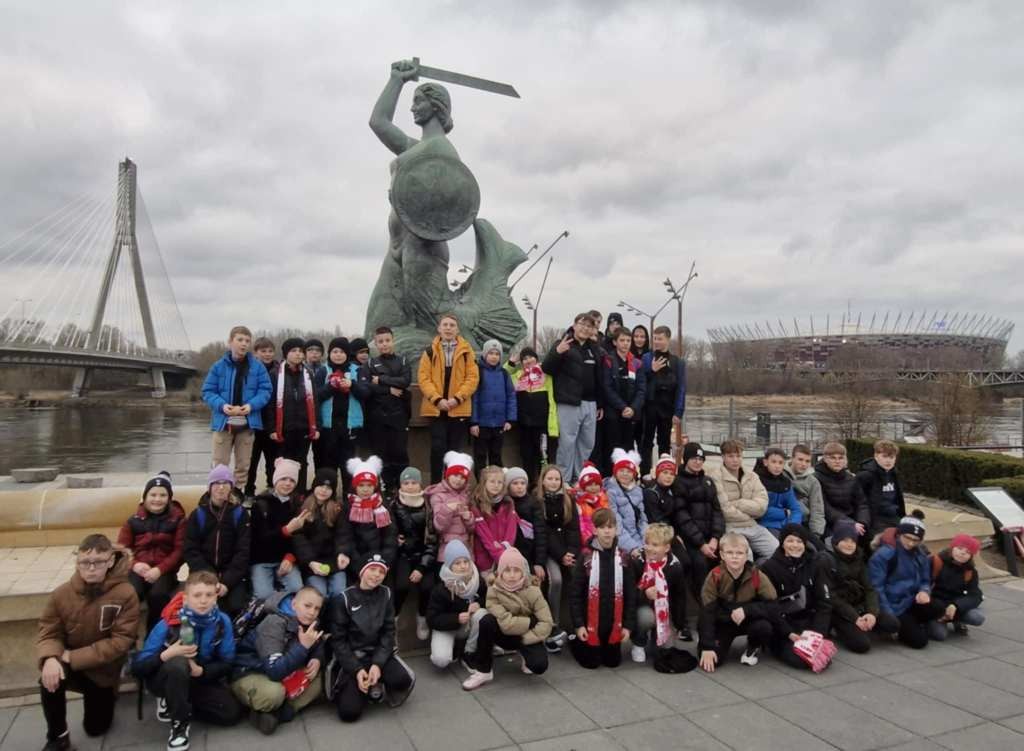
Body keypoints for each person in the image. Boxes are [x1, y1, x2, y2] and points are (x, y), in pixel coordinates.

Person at [37, 534, 140, 751]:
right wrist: (50, 657)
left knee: (96, 728)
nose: (91, 568)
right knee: (49, 676)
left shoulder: (126, 593)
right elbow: (49, 631)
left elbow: (121, 641)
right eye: (85, 562)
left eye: (98, 562)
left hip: (103, 670)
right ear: (77, 562)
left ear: (110, 561)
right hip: (68, 662)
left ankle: (109, 695)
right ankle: (57, 737)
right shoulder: (61, 594)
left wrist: (73, 657)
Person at [132, 571, 242, 750]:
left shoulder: (222, 622)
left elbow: (227, 662)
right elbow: (138, 667)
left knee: (231, 714)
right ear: (185, 599)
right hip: (165, 677)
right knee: (178, 663)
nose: (203, 601)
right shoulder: (168, 623)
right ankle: (179, 724)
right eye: (197, 595)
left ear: (216, 597)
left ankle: (176, 702)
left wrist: (202, 672)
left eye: (209, 595)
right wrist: (167, 654)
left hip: (197, 677)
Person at [330, 555, 415, 722]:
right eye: (372, 569)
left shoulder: (386, 593)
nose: (376, 575)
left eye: (381, 572)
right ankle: (360, 685)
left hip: (378, 653)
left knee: (403, 680)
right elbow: (338, 641)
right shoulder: (344, 599)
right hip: (354, 657)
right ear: (362, 572)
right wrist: (356, 669)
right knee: (349, 713)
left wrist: (378, 664)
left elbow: (388, 631)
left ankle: (376, 680)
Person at [231, 587, 326, 735]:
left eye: (317, 608)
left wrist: (317, 658)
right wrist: (303, 647)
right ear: (294, 604)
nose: (312, 612)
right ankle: (266, 706)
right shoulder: (274, 623)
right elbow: (274, 671)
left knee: (319, 679)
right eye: (307, 606)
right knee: (274, 694)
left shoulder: (309, 621)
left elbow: (317, 644)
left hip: (282, 670)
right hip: (251, 671)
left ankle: (280, 712)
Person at [462, 547, 553, 690]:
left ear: (523, 572)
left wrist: (526, 638)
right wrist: (530, 621)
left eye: (516, 570)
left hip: (527, 636)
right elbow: (505, 622)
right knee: (486, 621)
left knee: (539, 666)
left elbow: (547, 622)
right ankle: (483, 671)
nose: (512, 575)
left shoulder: (533, 591)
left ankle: (524, 654)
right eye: (507, 570)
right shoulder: (494, 589)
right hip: (504, 633)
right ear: (500, 572)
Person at [202, 325, 274, 488]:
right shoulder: (218, 366)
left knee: (243, 465)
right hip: (223, 423)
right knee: (219, 464)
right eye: (240, 340)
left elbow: (265, 391)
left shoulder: (257, 367)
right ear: (230, 342)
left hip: (247, 423)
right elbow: (208, 391)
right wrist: (222, 406)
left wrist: (251, 406)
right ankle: (218, 494)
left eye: (247, 341)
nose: (244, 344)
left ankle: (237, 494)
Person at [698, 532, 779, 672]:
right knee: (713, 660)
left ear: (746, 555)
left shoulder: (757, 575)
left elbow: (773, 606)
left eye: (739, 553)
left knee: (763, 627)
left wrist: (747, 610)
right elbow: (707, 612)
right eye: (730, 552)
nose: (735, 556)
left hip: (747, 619)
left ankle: (753, 647)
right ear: (722, 555)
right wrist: (707, 646)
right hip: (723, 622)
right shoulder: (715, 576)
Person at [567, 508, 636, 669]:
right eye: (602, 527)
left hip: (613, 622)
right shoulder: (586, 557)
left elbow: (631, 594)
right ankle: (574, 640)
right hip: (590, 622)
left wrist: (627, 626)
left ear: (616, 529)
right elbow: (575, 594)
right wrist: (579, 625)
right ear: (594, 530)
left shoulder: (623, 558)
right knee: (591, 664)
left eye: (610, 527)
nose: (607, 531)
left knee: (613, 663)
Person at [118, 471, 187, 631]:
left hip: (165, 571)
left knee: (158, 595)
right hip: (138, 569)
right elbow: (122, 549)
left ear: (169, 498)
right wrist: (135, 565)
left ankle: (154, 633)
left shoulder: (178, 520)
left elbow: (180, 551)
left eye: (163, 495)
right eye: (153, 495)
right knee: (131, 593)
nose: (157, 499)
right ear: (145, 497)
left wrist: (160, 569)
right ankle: (127, 633)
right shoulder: (133, 521)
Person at [818, 519, 898, 653]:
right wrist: (855, 618)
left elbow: (870, 588)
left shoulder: (859, 557)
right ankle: (840, 628)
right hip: (839, 610)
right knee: (862, 645)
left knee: (892, 624)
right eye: (845, 540)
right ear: (836, 541)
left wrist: (872, 613)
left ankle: (866, 625)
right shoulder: (826, 560)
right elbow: (831, 596)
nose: (849, 545)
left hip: (859, 604)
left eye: (852, 541)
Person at [760, 524, 832, 671]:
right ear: (782, 543)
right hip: (783, 625)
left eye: (799, 541)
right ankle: (772, 645)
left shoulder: (814, 564)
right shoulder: (769, 567)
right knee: (801, 661)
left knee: (821, 658)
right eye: (790, 541)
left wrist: (817, 634)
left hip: (808, 622)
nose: (795, 545)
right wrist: (788, 633)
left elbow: (824, 602)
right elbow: (769, 607)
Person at [418, 314, 481, 482]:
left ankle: (451, 486)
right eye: (445, 325)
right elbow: (423, 378)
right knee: (437, 448)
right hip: (436, 408)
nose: (448, 328)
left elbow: (472, 378)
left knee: (454, 450)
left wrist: (457, 399)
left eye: (452, 325)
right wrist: (437, 399)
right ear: (439, 328)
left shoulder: (467, 351)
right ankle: (435, 485)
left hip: (458, 408)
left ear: (457, 329)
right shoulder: (429, 351)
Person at [543, 312, 604, 482]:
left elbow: (599, 377)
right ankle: (563, 479)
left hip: (590, 403)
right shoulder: (563, 343)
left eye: (589, 326)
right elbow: (547, 368)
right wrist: (557, 352)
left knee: (587, 443)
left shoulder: (594, 349)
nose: (585, 328)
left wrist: (600, 404)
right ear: (575, 325)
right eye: (582, 324)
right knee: (567, 443)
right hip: (569, 402)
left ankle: (579, 478)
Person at [183, 465, 251, 616]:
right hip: (203, 572)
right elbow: (191, 550)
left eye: (225, 483)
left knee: (236, 605)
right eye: (216, 483)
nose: (221, 487)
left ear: (231, 487)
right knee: (203, 604)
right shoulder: (198, 514)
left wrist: (226, 582)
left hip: (232, 574)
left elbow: (243, 551)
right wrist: (211, 579)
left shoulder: (240, 514)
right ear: (209, 487)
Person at [868, 511, 942, 648]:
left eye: (916, 540)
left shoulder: (920, 554)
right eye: (907, 537)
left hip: (911, 600)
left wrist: (924, 591)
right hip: (893, 605)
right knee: (920, 642)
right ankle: (902, 627)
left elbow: (925, 580)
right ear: (899, 534)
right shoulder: (884, 555)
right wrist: (889, 613)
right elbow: (876, 588)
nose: (911, 543)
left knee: (938, 607)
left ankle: (916, 623)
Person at [357, 326, 412, 495]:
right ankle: (385, 489)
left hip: (399, 416)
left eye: (387, 340)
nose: (384, 344)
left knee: (400, 452)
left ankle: (402, 487)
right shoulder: (369, 364)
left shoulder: (403, 361)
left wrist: (381, 379)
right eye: (380, 341)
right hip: (377, 417)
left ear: (393, 341)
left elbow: (404, 381)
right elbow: (366, 387)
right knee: (381, 454)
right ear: (376, 344)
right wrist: (389, 389)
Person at [671, 443, 725, 612]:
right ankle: (704, 608)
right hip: (692, 540)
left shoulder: (708, 481)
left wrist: (715, 537)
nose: (698, 462)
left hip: (712, 539)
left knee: (728, 559)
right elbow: (682, 517)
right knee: (700, 564)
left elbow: (717, 511)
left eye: (701, 459)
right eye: (694, 458)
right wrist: (701, 544)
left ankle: (724, 604)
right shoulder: (678, 482)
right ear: (686, 459)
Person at [710, 439, 778, 564]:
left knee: (777, 551)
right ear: (723, 457)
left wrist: (739, 503)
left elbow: (762, 506)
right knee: (745, 557)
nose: (735, 460)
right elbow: (725, 510)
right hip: (730, 527)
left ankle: (758, 571)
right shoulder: (715, 477)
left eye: (738, 456)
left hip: (752, 525)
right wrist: (750, 513)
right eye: (731, 456)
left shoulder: (752, 476)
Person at [536, 464, 581, 652]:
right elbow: (544, 532)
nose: (554, 482)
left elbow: (574, 529)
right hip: (549, 552)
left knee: (579, 577)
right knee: (556, 579)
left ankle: (577, 623)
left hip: (568, 550)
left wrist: (571, 552)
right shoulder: (538, 502)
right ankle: (553, 624)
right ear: (543, 481)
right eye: (550, 479)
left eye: (557, 479)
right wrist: (561, 555)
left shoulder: (568, 500)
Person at [631, 522, 689, 664]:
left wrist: (679, 624)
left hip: (664, 610)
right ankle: (638, 642)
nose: (650, 548)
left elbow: (679, 596)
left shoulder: (675, 566)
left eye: (655, 545)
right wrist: (644, 593)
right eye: (647, 543)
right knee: (646, 617)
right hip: (642, 607)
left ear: (667, 548)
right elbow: (629, 594)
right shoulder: (638, 561)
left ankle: (657, 639)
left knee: (665, 650)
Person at [390, 466, 437, 642]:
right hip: (403, 554)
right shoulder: (394, 505)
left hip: (424, 554)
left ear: (420, 484)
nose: (410, 486)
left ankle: (422, 617)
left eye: (414, 482)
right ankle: (393, 619)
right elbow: (389, 529)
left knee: (427, 587)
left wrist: (421, 567)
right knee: (401, 586)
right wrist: (395, 540)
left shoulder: (428, 506)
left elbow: (432, 540)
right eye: (406, 483)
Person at [426, 540, 489, 669]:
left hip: (469, 625)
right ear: (449, 566)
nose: (463, 566)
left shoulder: (477, 580)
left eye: (466, 561)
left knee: (482, 614)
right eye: (457, 563)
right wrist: (456, 618)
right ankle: (454, 647)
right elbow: (432, 618)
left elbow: (488, 599)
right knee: (441, 660)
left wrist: (479, 604)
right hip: (447, 627)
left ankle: (469, 652)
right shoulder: (441, 588)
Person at [249, 458, 305, 599]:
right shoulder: (260, 503)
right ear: (275, 480)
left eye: (292, 480)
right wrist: (286, 530)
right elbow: (259, 538)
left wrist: (290, 557)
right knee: (263, 596)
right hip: (262, 559)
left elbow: (300, 538)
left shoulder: (297, 505)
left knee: (296, 589)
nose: (287, 483)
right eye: (283, 479)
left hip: (284, 559)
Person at [270, 337, 319, 493]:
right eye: (294, 351)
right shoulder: (275, 374)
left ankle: (300, 495)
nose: (298, 354)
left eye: (301, 351)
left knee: (301, 462)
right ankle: (283, 495)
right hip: (283, 428)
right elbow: (270, 403)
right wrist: (271, 428)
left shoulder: (308, 373)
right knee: (284, 462)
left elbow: (315, 401)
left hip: (304, 427)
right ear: (286, 353)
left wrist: (316, 427)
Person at [292, 468, 349, 601]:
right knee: (319, 593)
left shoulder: (337, 509)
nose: (323, 490)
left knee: (339, 591)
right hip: (311, 562)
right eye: (321, 486)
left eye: (328, 488)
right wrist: (309, 561)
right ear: (314, 486)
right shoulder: (302, 507)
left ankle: (336, 615)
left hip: (333, 561)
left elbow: (343, 534)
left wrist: (342, 552)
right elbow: (298, 537)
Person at [315, 337, 362, 492]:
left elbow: (366, 393)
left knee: (348, 464)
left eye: (342, 352)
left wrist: (352, 385)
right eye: (335, 351)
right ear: (329, 353)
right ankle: (330, 496)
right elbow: (315, 396)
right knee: (329, 463)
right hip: (328, 426)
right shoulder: (323, 371)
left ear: (347, 354)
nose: (338, 355)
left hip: (349, 426)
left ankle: (349, 496)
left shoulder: (357, 370)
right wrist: (331, 386)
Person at [508, 347, 559, 487]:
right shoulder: (518, 376)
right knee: (526, 455)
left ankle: (545, 485)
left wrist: (553, 424)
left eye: (531, 357)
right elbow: (503, 374)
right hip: (524, 424)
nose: (528, 360)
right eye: (524, 359)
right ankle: (530, 484)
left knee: (543, 455)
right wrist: (511, 363)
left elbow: (552, 400)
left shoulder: (545, 374)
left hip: (542, 424)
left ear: (536, 359)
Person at [639, 326, 685, 476]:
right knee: (646, 442)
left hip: (667, 406)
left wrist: (678, 411)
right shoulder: (646, 358)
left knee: (664, 443)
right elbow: (641, 382)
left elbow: (681, 387)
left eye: (660, 339)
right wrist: (651, 370)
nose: (657, 342)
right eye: (655, 339)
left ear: (668, 339)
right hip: (649, 405)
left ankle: (664, 474)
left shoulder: (677, 362)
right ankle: (645, 475)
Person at [341, 456, 398, 577]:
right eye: (361, 485)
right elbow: (345, 536)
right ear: (355, 486)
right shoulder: (348, 506)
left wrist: (384, 560)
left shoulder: (382, 506)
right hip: (355, 561)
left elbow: (390, 535)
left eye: (369, 485)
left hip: (379, 561)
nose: (365, 489)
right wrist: (358, 563)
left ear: (375, 486)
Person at [601, 328, 647, 473]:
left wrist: (633, 408)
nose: (626, 343)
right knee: (612, 448)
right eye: (622, 340)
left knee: (628, 448)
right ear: (615, 342)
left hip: (631, 414)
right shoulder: (608, 361)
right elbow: (607, 388)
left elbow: (641, 390)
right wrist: (622, 407)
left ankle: (627, 476)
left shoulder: (637, 363)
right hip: (613, 413)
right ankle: (609, 476)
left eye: (628, 340)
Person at [928, 534, 985, 639]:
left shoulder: (970, 571)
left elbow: (975, 595)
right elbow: (924, 586)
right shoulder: (935, 561)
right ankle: (935, 621)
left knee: (977, 617)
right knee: (939, 635)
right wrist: (941, 610)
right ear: (952, 548)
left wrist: (956, 605)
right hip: (935, 606)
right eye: (959, 548)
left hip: (955, 606)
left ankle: (957, 620)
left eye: (968, 552)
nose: (962, 553)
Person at [470, 339, 516, 470]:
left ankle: (496, 481)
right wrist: (474, 422)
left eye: (497, 354)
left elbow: (511, 396)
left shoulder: (504, 373)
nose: (494, 357)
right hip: (481, 424)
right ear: (485, 354)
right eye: (491, 353)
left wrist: (510, 419)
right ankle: (481, 482)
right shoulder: (478, 372)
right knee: (480, 456)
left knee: (496, 455)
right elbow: (474, 398)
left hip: (499, 423)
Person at [427, 451, 475, 562]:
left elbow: (472, 529)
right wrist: (448, 509)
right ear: (448, 475)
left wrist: (468, 518)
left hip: (465, 548)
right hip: (447, 547)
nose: (458, 480)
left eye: (462, 477)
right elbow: (439, 526)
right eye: (455, 475)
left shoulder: (467, 496)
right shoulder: (438, 495)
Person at [472, 465, 520, 575]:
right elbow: (484, 535)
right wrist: (499, 555)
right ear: (484, 483)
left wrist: (505, 548)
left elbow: (511, 530)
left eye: (500, 482)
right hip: (485, 557)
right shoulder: (477, 504)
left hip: (506, 554)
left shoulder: (508, 502)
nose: (496, 485)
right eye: (492, 481)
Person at [245, 337, 278, 498]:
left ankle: (272, 490)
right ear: (255, 353)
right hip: (252, 423)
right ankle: (248, 493)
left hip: (272, 424)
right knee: (251, 462)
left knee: (273, 461)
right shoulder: (249, 370)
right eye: (263, 351)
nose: (267, 354)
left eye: (270, 351)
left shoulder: (279, 371)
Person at [815, 442, 869, 538]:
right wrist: (849, 524)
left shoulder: (851, 478)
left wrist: (862, 522)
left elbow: (862, 504)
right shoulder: (817, 479)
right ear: (825, 459)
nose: (837, 461)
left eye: (841, 458)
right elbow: (825, 508)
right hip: (830, 523)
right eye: (833, 458)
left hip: (854, 522)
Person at [604, 449, 649, 558]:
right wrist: (632, 547)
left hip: (639, 540)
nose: (625, 474)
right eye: (621, 470)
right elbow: (616, 525)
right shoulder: (610, 492)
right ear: (615, 472)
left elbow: (642, 520)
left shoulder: (638, 491)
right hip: (622, 543)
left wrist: (647, 542)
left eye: (629, 471)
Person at [857, 440, 906, 538]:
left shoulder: (894, 474)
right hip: (875, 519)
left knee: (911, 537)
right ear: (876, 456)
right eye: (884, 456)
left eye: (891, 457)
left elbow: (898, 500)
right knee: (889, 540)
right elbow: (858, 502)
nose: (888, 461)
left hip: (894, 516)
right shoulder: (865, 476)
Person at [753, 448, 804, 537]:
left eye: (780, 463)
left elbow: (796, 509)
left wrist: (792, 525)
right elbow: (760, 511)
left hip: (786, 525)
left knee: (810, 543)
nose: (777, 466)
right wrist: (784, 513)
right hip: (765, 525)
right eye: (773, 462)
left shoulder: (785, 483)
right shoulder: (756, 480)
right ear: (765, 462)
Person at [785, 444, 826, 543]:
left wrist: (816, 533)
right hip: (782, 521)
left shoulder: (813, 482)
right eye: (800, 459)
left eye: (807, 461)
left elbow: (817, 510)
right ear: (792, 458)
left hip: (804, 523)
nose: (803, 464)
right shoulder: (781, 475)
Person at [571, 462, 610, 546]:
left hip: (605, 538)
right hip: (588, 541)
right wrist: (590, 541)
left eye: (596, 484)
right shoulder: (579, 502)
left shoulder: (604, 499)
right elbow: (581, 525)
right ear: (583, 487)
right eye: (589, 485)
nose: (593, 488)